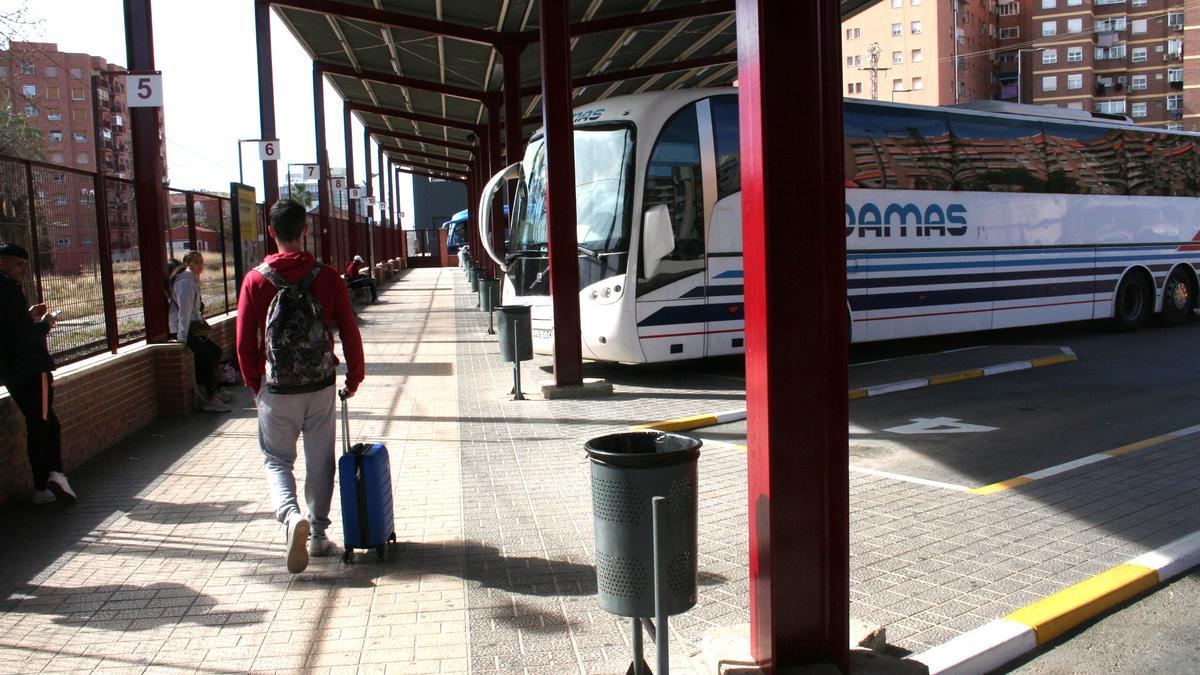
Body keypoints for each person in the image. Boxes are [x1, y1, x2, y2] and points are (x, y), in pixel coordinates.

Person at [237, 199, 364, 573]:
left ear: (271, 231)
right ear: (305, 230)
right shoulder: (326, 276)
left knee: (277, 459)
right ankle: (319, 536)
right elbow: (349, 328)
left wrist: (254, 385)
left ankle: (291, 517)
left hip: (277, 389)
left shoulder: (255, 280)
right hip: (321, 384)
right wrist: (354, 375)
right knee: (320, 459)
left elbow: (244, 342)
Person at [0, 242, 76, 505]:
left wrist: (29, 317)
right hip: (31, 368)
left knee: (44, 422)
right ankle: (47, 480)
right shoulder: (9, 291)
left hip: (10, 372)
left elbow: (9, 330)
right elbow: (21, 337)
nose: (24, 270)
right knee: (42, 425)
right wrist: (45, 325)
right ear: (3, 263)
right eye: (19, 264)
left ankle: (48, 479)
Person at [168, 251, 229, 412]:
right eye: (196, 262)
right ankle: (209, 397)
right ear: (187, 263)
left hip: (192, 326)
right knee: (208, 357)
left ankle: (206, 387)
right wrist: (182, 337)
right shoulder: (186, 282)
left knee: (215, 352)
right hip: (185, 328)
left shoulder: (193, 279)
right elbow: (184, 311)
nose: (200, 265)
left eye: (201, 262)